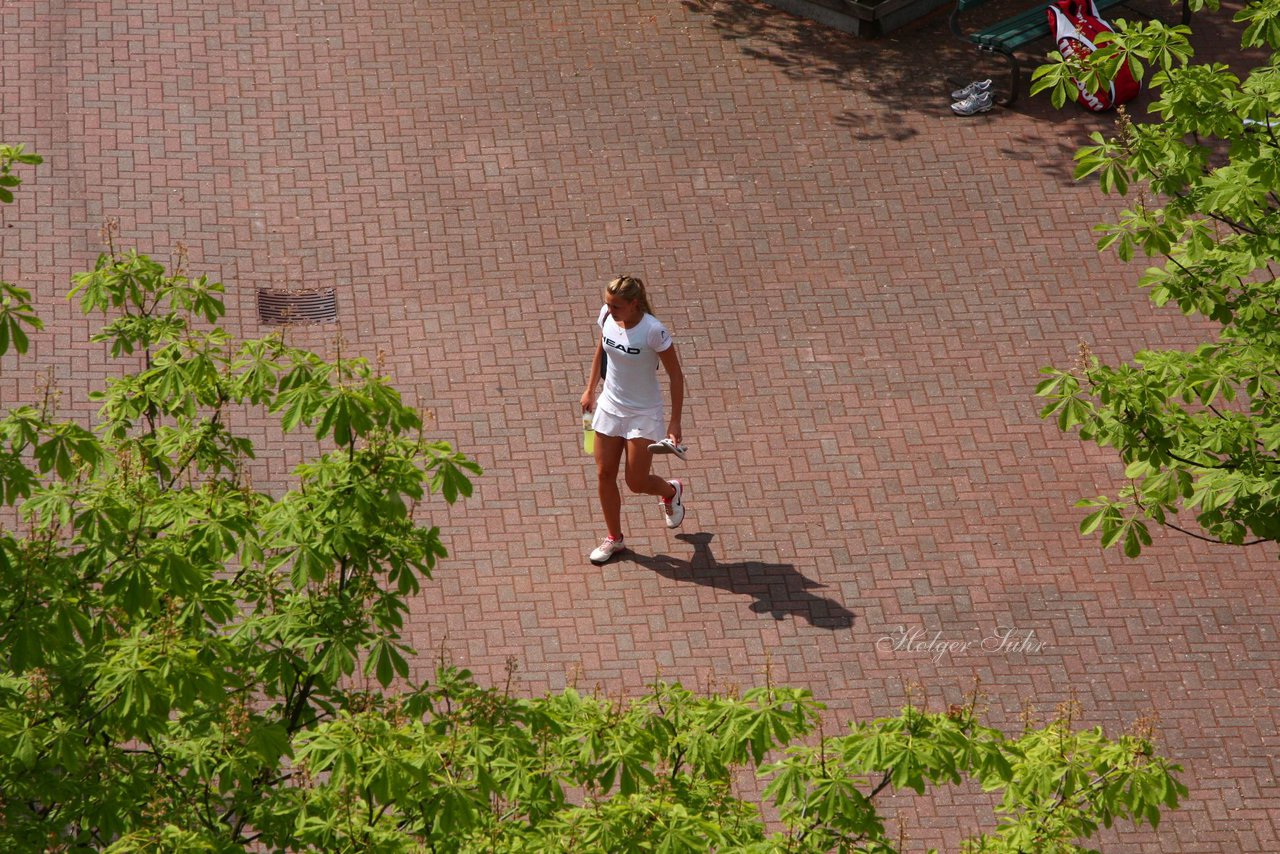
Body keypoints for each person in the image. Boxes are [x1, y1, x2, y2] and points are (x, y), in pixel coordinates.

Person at [580, 275, 685, 564]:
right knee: (604, 474)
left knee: (636, 482)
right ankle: (615, 539)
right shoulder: (607, 317)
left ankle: (670, 491)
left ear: (634, 304)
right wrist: (590, 389)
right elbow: (601, 348)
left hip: (643, 412)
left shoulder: (654, 331)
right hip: (610, 406)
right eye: (607, 305)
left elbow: (676, 377)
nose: (609, 311)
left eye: (616, 306)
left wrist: (674, 422)